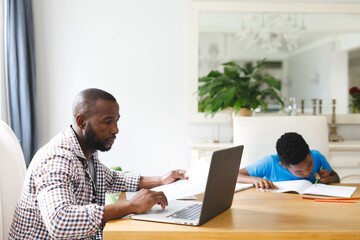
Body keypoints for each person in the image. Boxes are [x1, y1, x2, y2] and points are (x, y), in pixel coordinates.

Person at [9, 88, 187, 239]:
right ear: (81, 121)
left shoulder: (87, 152)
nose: (116, 130)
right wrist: (130, 206)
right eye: (107, 122)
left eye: (116, 121)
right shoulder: (57, 159)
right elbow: (59, 221)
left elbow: (112, 179)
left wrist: (162, 179)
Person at [237, 132, 340, 190]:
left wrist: (329, 179)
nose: (307, 172)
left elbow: (336, 177)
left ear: (308, 150)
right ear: (284, 165)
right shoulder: (270, 163)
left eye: (309, 165)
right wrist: (255, 180)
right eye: (298, 172)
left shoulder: (317, 157)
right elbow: (235, 175)